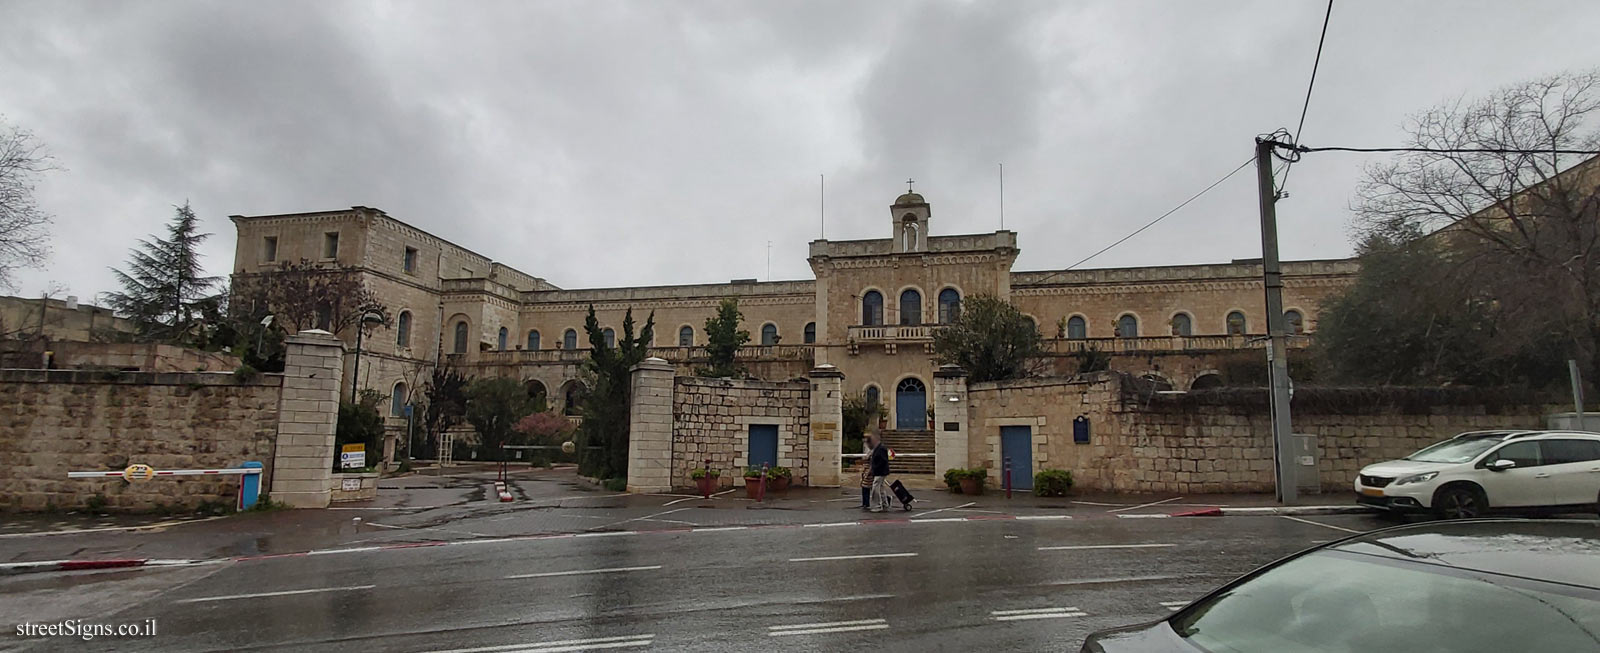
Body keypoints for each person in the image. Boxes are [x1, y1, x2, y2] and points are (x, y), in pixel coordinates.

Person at [868, 432, 892, 512]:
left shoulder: (881, 448)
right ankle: (885, 505)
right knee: (881, 488)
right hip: (880, 471)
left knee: (875, 487)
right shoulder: (877, 448)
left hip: (880, 471)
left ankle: (877, 506)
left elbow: (883, 460)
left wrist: (874, 468)